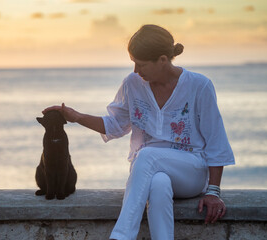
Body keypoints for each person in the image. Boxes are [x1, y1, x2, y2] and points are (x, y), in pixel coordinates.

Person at [43, 24, 235, 240]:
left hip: (190, 171)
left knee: (146, 155)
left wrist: (213, 192)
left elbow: (216, 141)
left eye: (141, 64)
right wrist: (76, 117)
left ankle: (121, 236)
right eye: (133, 63)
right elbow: (115, 125)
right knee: (158, 184)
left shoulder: (199, 86)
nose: (135, 71)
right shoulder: (132, 84)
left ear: (163, 60)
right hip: (148, 171)